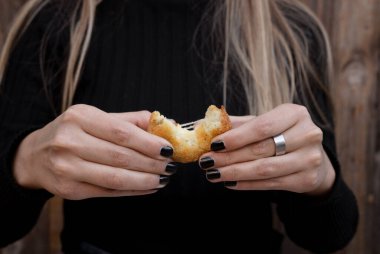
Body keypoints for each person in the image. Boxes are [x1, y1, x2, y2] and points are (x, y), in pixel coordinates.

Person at [0, 0, 358, 253]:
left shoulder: (289, 33)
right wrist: (25, 163)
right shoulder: (57, 22)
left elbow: (327, 236)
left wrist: (320, 181)